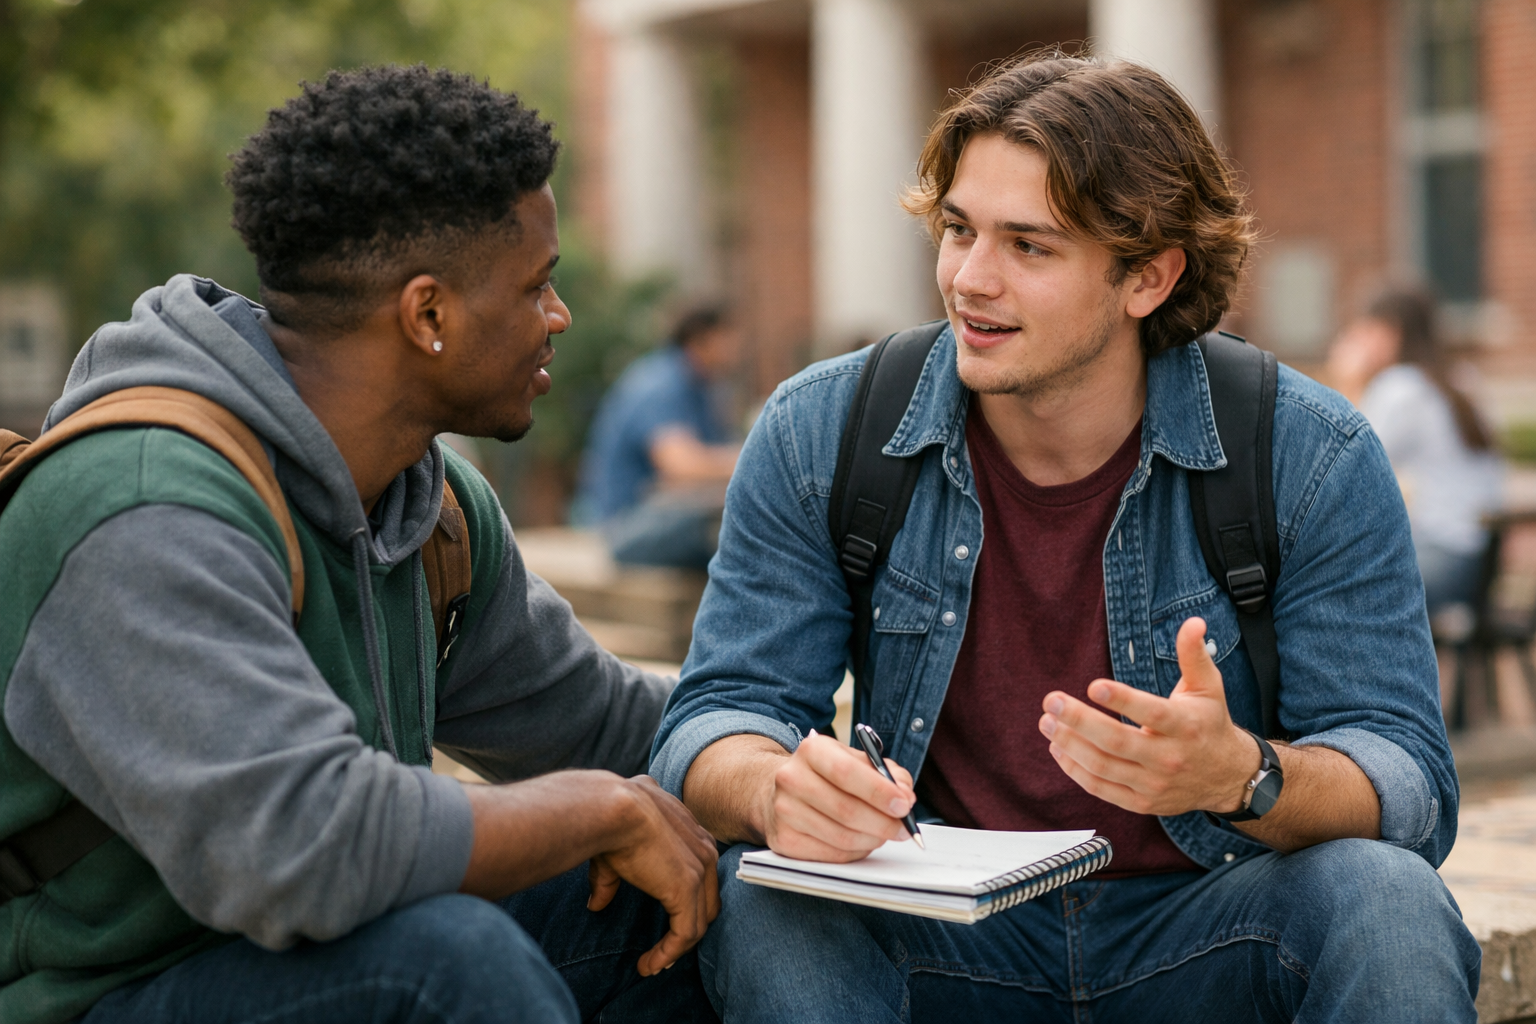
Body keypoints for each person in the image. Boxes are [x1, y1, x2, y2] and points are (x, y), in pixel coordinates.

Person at [650, 54, 1479, 1022]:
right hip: (944, 929)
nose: (969, 278)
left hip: (1206, 925)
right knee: (766, 893)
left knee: (1390, 901)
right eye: (958, 230)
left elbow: (1408, 780)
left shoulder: (1311, 452)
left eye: (1028, 247)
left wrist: (1244, 774)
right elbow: (709, 722)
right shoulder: (819, 431)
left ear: (1148, 276)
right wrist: (773, 786)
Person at [0, 66, 719, 1024]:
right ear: (427, 315)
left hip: (303, 957)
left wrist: (774, 763)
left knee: (707, 892)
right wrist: (599, 809)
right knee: (442, 963)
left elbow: (601, 721)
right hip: (93, 996)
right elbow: (298, 850)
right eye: (539, 287)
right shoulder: (143, 505)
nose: (559, 318)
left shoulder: (433, 508)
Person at [1328, 286, 1503, 619]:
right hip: (1478, 560)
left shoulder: (1400, 387)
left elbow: (1342, 464)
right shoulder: (1463, 378)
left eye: (1366, 331)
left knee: (1336, 594)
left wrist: (1347, 379)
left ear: (1390, 332)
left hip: (1439, 556)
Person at [574, 307, 742, 569]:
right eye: (728, 336)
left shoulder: (704, 388)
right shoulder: (661, 383)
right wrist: (760, 457)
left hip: (659, 517)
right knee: (732, 528)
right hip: (627, 528)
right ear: (701, 338)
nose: (736, 346)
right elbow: (683, 467)